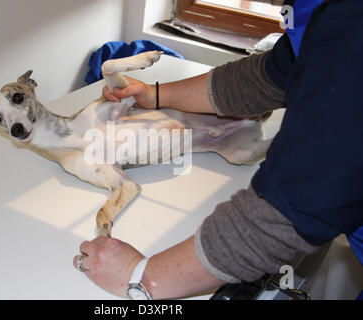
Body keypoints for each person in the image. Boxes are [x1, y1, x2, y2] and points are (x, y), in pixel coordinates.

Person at [73, 0, 363, 299]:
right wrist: (157, 94)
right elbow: (272, 74)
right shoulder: (322, 14)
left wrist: (142, 278)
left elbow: (293, 206)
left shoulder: (352, 24)